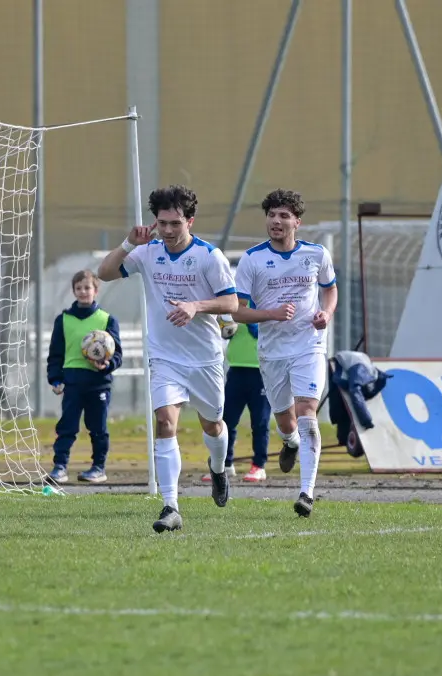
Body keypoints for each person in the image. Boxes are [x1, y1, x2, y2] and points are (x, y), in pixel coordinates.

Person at [96, 185, 239, 532]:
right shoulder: (147, 251)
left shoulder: (209, 256)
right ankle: (171, 506)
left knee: (213, 425)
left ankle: (218, 469)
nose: (169, 230)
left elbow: (232, 303)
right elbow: (104, 272)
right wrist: (128, 243)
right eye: (162, 223)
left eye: (176, 223)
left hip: (204, 358)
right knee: (164, 423)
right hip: (164, 356)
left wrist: (195, 306)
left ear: (190, 221)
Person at [232, 188, 337, 517]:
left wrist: (326, 313)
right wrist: (271, 314)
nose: (276, 221)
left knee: (307, 411)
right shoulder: (252, 259)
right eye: (271, 215)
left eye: (283, 216)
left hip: (309, 345)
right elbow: (237, 311)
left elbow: (330, 290)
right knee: (285, 420)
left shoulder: (316, 254)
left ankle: (306, 493)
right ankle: (290, 442)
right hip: (272, 350)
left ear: (297, 222)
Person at [45, 269, 122, 484]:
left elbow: (117, 355)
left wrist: (106, 365)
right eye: (78, 288)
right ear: (73, 291)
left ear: (96, 290)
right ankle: (60, 466)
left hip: (99, 384)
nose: (83, 291)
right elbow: (56, 354)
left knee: (98, 428)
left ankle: (98, 467)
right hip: (72, 383)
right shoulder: (63, 320)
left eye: (87, 287)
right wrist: (55, 378)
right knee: (67, 427)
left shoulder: (107, 320)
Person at [203, 309, 270, 484]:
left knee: (260, 422)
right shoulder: (236, 301)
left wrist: (249, 320)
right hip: (236, 369)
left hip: (261, 371)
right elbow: (226, 330)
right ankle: (225, 464)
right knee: (226, 420)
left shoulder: (263, 302)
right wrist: (225, 325)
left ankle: (259, 466)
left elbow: (263, 331)